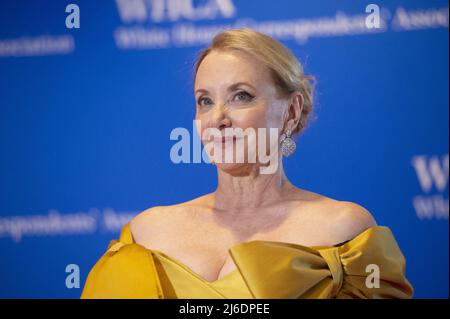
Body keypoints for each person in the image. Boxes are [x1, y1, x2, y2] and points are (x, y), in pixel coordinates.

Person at [81, 28, 414, 299]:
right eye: (205, 101)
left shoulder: (345, 232)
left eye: (241, 96)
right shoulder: (146, 233)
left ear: (291, 111)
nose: (218, 118)